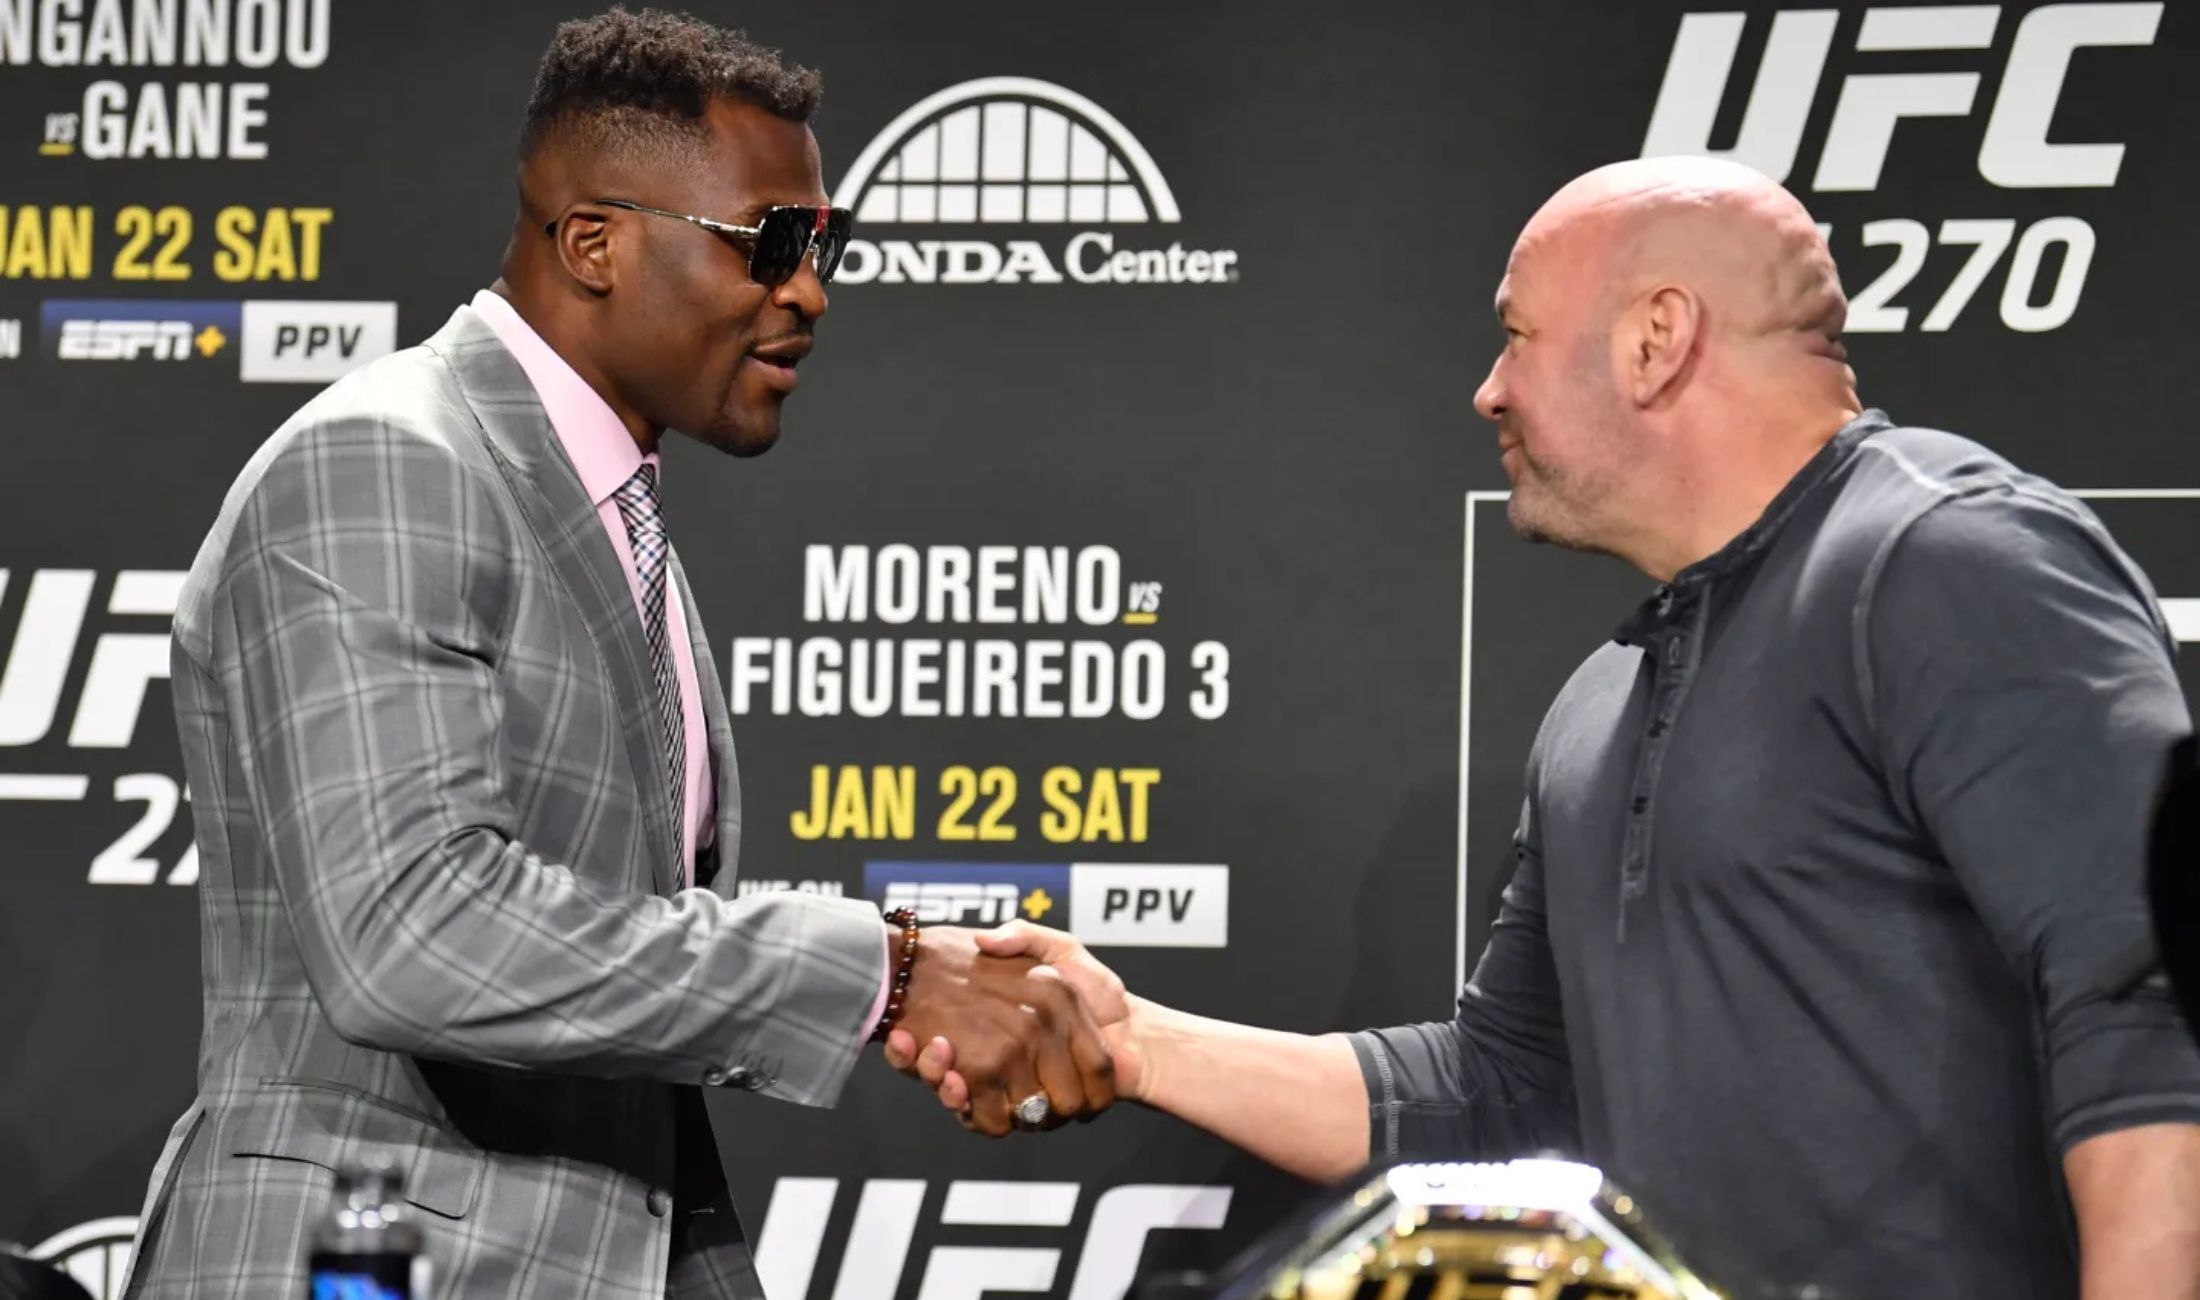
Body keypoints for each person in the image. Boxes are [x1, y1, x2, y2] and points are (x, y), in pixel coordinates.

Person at [895, 158, 2200, 1298]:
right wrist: (1134, 1044)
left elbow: (2147, 1012)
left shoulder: (1947, 561)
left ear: (1655, 340)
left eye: (1516, 335)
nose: (1485, 390)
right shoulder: (1608, 695)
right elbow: (1503, 1096)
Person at [120, 10, 1111, 1299]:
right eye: (774, 243)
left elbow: (613, 1001)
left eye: (828, 246)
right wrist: (880, 971)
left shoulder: (606, 517)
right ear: (593, 240)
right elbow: (413, 936)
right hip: (366, 1257)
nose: (809, 290)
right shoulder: (387, 461)